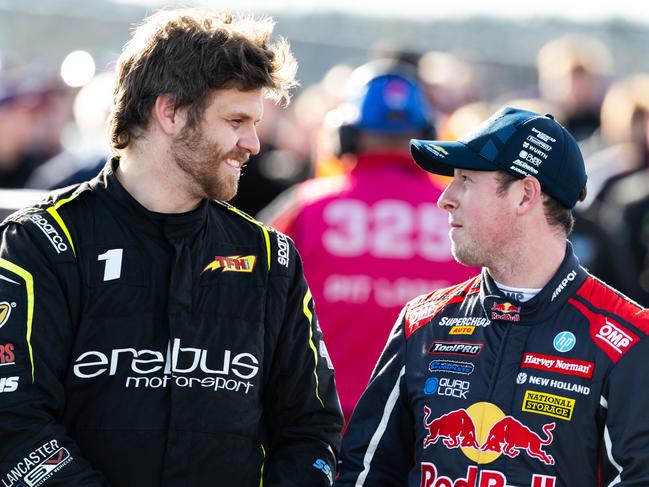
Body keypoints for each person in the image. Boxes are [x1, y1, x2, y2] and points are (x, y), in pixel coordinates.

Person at [0, 9, 343, 487]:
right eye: (236, 119)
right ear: (170, 112)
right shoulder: (45, 242)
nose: (254, 143)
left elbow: (313, 430)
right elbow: (14, 422)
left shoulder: (270, 257)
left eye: (255, 122)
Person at [335, 107, 649, 486]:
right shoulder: (423, 322)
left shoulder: (627, 340)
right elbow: (364, 472)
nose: (445, 199)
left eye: (466, 179)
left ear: (525, 195)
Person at [259, 60, 477, 422]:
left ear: (345, 133)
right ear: (428, 134)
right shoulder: (460, 211)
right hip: (432, 427)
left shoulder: (306, 208)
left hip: (321, 424)